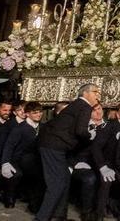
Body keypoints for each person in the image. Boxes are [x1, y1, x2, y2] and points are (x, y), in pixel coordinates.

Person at [36, 83, 99, 221]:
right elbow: (80, 131)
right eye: (95, 92)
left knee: (63, 179)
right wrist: (90, 135)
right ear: (85, 93)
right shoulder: (85, 106)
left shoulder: (76, 104)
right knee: (56, 185)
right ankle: (41, 218)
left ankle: (59, 215)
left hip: (52, 145)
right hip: (54, 146)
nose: (97, 95)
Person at [92, 100, 120, 218]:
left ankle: (119, 211)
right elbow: (96, 148)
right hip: (107, 163)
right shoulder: (110, 127)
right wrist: (103, 167)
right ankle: (99, 214)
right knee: (107, 181)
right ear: (118, 115)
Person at [0, 101, 43, 211]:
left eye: (40, 112)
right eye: (35, 113)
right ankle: (10, 196)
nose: (38, 115)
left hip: (35, 160)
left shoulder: (43, 127)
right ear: (27, 114)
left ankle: (35, 203)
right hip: (18, 160)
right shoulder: (19, 128)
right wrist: (5, 163)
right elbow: (9, 146)